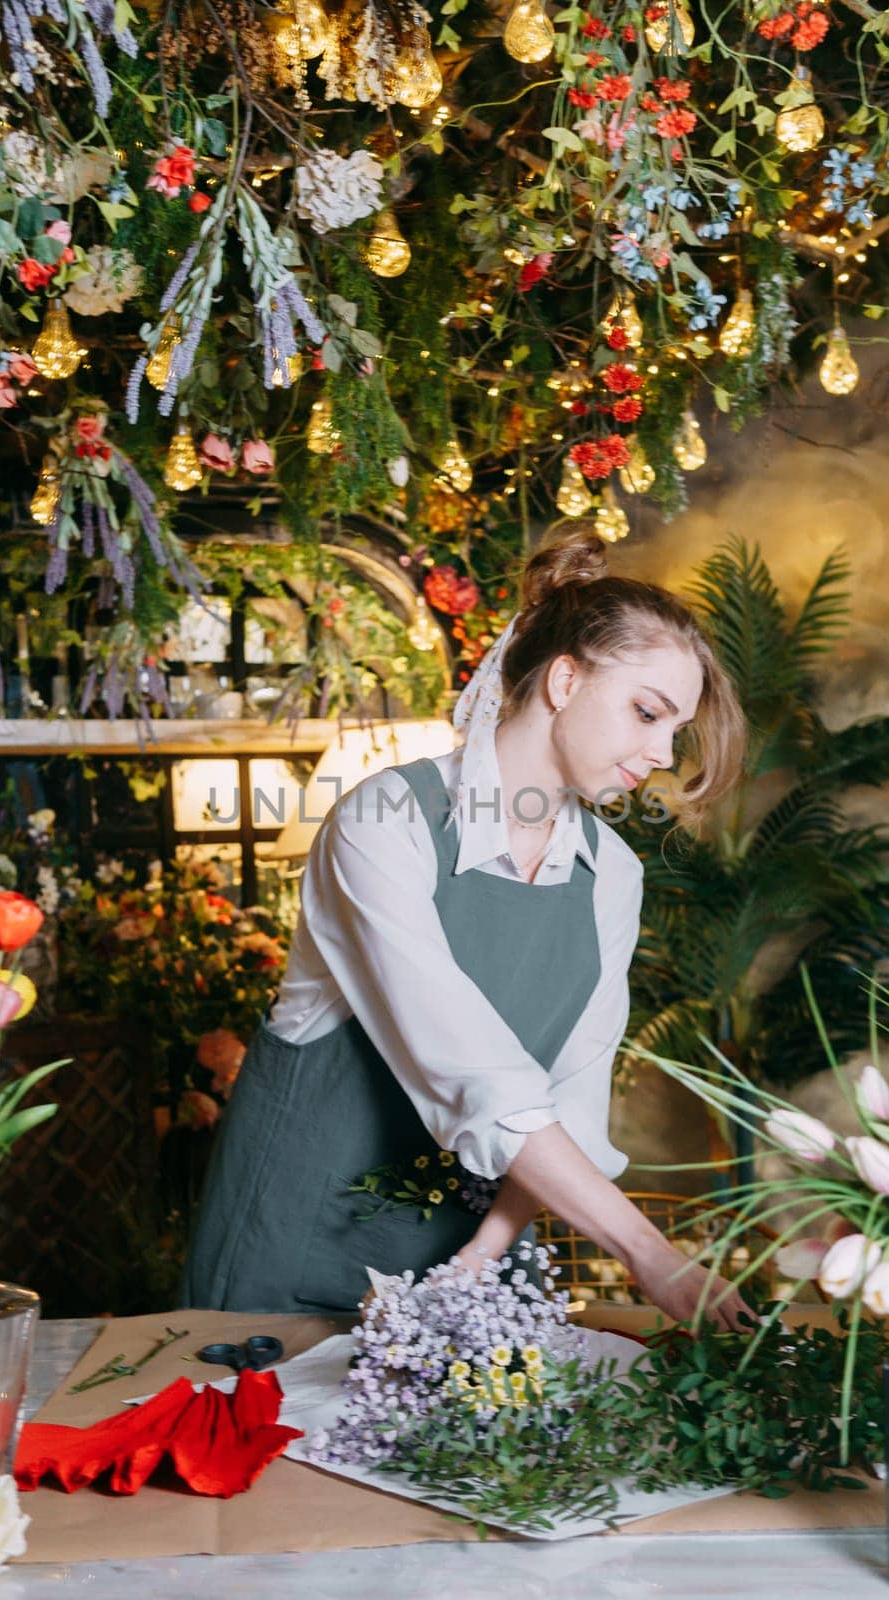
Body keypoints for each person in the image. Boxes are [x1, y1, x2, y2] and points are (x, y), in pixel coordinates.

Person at [181, 529, 750, 1327]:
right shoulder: (386, 821)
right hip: (294, 1257)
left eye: (673, 730)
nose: (661, 751)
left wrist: (477, 1263)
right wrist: (653, 1254)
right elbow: (473, 1066)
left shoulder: (612, 876)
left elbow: (571, 1101)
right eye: (647, 713)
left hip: (471, 1274)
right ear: (563, 680)